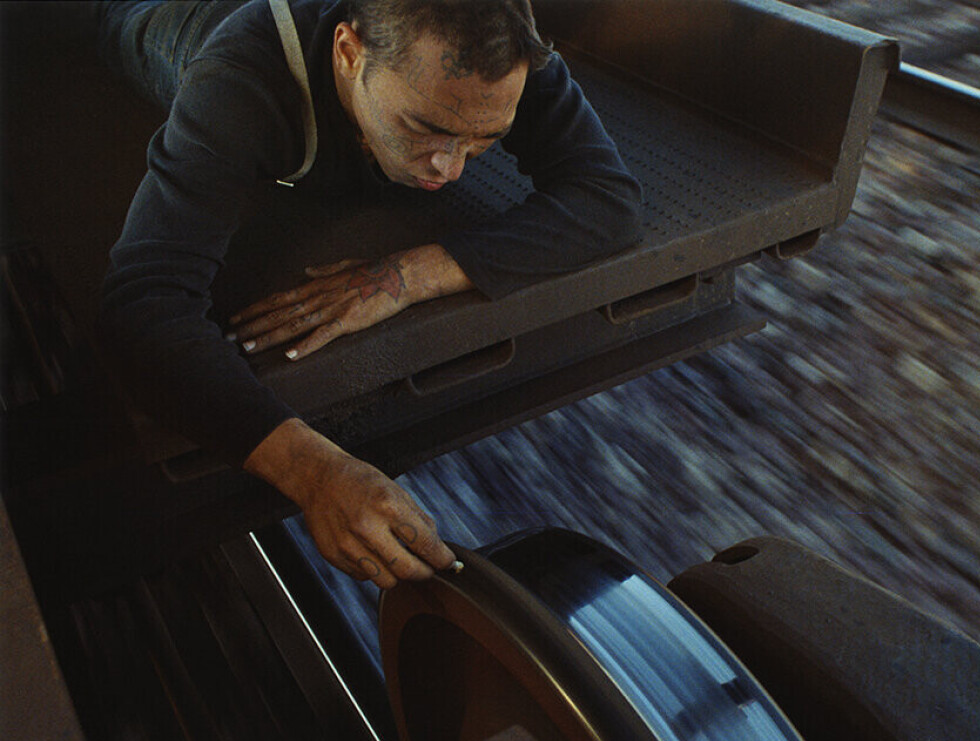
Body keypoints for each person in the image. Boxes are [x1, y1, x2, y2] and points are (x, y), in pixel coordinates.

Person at [95, 0, 644, 589]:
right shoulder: (237, 83)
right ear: (349, 53)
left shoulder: (502, 52)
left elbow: (608, 198)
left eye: (485, 140)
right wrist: (314, 474)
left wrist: (411, 275)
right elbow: (144, 303)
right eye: (424, 128)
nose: (450, 169)